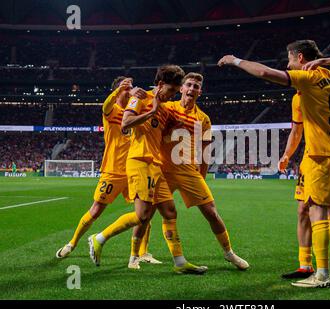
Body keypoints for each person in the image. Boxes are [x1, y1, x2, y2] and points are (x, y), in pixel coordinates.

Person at [218, 39, 330, 288]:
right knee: (329, 210)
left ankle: (322, 274)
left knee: (318, 210)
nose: (288, 64)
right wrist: (327, 64)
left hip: (320, 155)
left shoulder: (307, 79)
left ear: (301, 58)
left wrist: (235, 61)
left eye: (290, 59)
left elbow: (264, 72)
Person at [88, 65, 207, 274]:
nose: (172, 95)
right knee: (142, 216)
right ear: (160, 84)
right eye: (170, 90)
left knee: (170, 211)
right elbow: (126, 122)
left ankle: (180, 263)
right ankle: (99, 238)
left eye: (174, 91)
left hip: (155, 164)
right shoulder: (142, 98)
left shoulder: (164, 105)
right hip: (139, 160)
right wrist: (150, 110)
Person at [136, 72, 249, 270]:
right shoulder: (167, 107)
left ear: (200, 92)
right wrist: (136, 93)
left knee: (211, 212)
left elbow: (205, 153)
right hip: (162, 169)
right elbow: (153, 99)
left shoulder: (203, 119)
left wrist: (202, 177)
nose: (191, 89)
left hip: (188, 171)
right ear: (181, 88)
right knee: (147, 212)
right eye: (188, 85)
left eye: (195, 87)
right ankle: (139, 253)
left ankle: (229, 253)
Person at [55, 77, 162, 263]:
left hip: (134, 169)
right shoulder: (111, 111)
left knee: (144, 213)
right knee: (96, 210)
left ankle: (142, 253)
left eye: (131, 87)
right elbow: (105, 106)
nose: (130, 90)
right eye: (126, 88)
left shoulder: (134, 110)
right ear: (118, 90)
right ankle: (72, 243)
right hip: (113, 170)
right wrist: (117, 91)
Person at [279, 84, 330, 280]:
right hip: (313, 157)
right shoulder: (298, 97)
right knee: (305, 209)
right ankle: (305, 264)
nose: (289, 67)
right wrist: (287, 155)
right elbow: (296, 130)